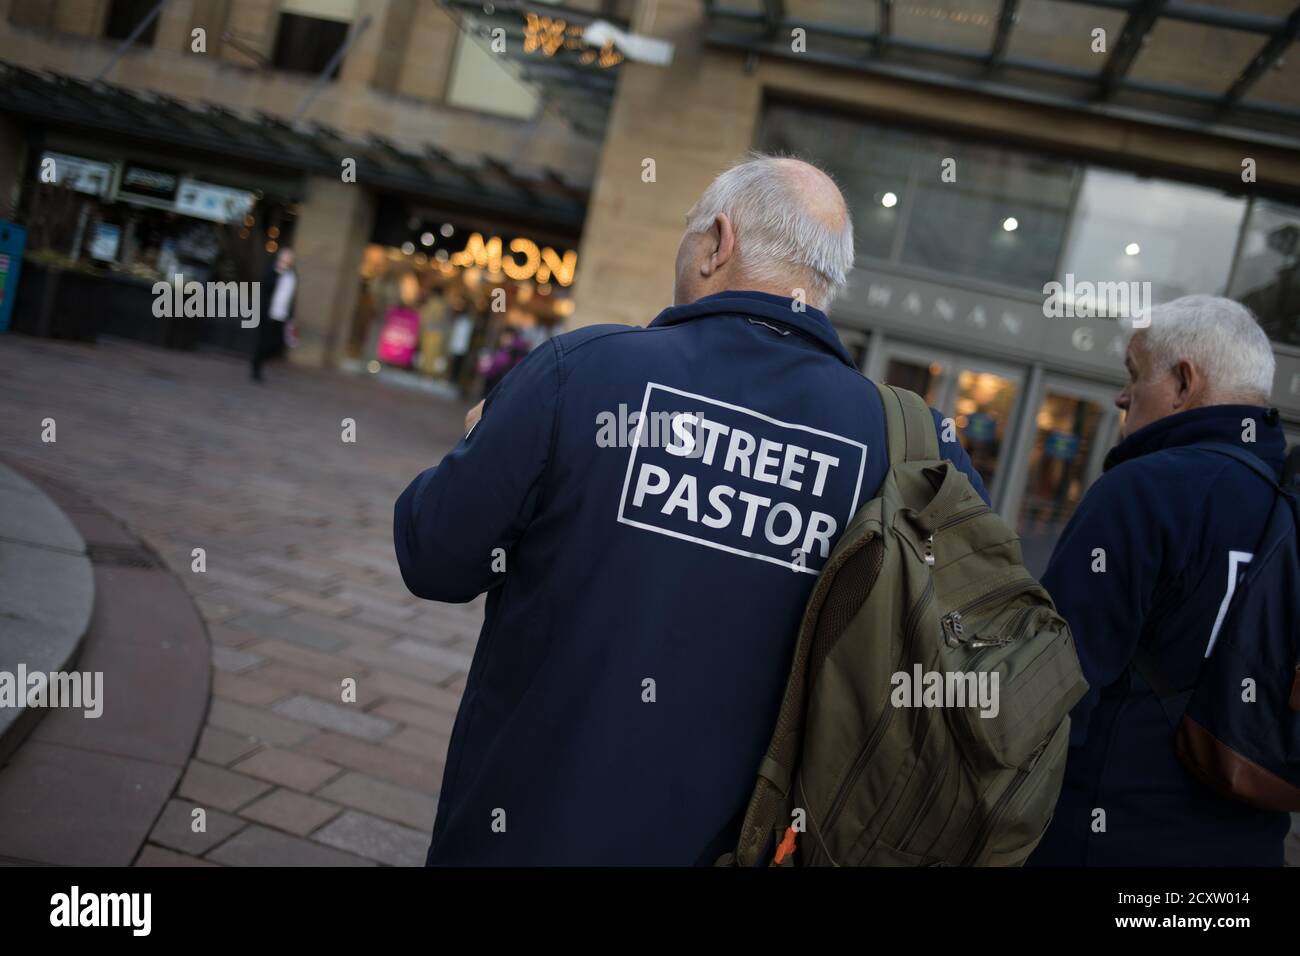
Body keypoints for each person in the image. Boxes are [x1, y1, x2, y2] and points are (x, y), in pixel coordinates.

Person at [393, 155, 988, 866]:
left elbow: (435, 555)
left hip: (523, 829)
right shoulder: (908, 446)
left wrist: (475, 443)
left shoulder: (581, 372)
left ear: (717, 243)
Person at [1028, 295, 1291, 866]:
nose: (1122, 396)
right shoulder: (1288, 508)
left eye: (1133, 375)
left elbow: (1052, 688)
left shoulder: (1145, 490)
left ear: (1182, 382)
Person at [250, 248, 296, 382]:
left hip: (282, 315)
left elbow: (292, 296)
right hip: (268, 313)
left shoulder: (292, 275)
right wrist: (278, 272)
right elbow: (264, 287)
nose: (287, 261)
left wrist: (291, 315)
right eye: (285, 258)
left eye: (289, 259)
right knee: (263, 342)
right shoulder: (272, 271)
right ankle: (256, 369)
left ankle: (259, 360)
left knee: (278, 344)